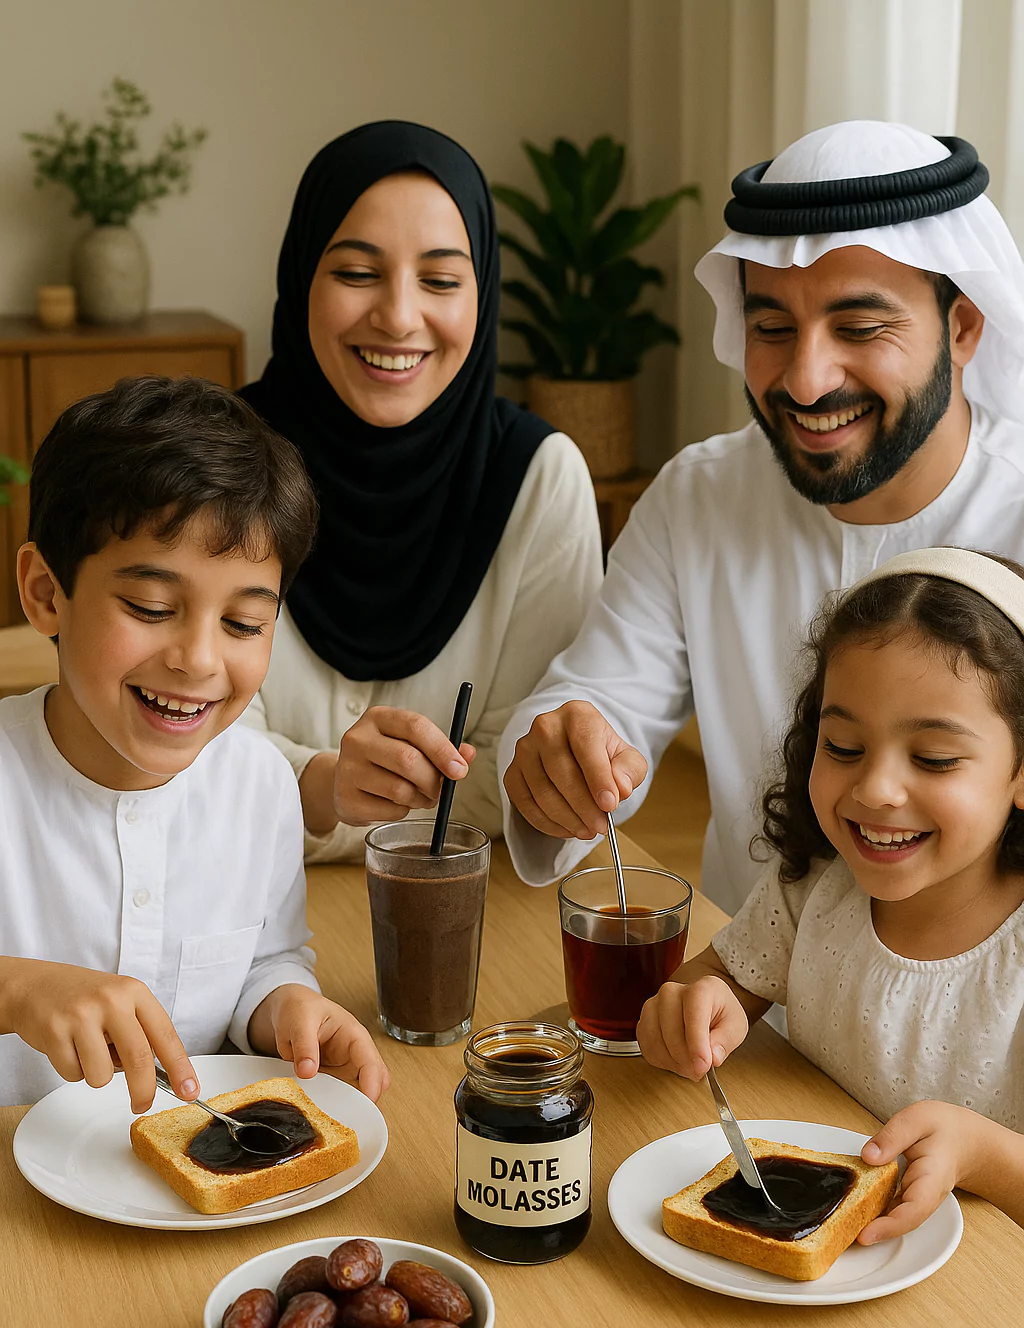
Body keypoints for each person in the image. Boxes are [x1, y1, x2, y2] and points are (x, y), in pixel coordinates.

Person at [499, 121, 1024, 917]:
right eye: (772, 328)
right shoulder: (699, 497)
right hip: (733, 1012)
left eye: (859, 327)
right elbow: (598, 698)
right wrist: (559, 754)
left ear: (962, 329)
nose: (807, 381)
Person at [0, 375, 388, 1110]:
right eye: (151, 606)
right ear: (47, 593)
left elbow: (263, 960)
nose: (200, 660)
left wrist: (287, 1010)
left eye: (244, 624)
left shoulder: (259, 783)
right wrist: (15, 988)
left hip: (185, 1192)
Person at [239, 121, 603, 861]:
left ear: (484, 294)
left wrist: (286, 792)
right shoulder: (214, 465)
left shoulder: (538, 479)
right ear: (300, 274)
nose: (400, 317)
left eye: (440, 280)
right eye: (356, 273)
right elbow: (174, 752)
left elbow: (523, 775)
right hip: (219, 916)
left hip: (470, 917)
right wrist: (322, 786)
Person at [639, 548, 1024, 1239]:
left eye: (934, 759)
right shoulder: (816, 886)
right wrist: (698, 1001)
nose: (875, 790)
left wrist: (985, 1155)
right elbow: (726, 976)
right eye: (843, 745)